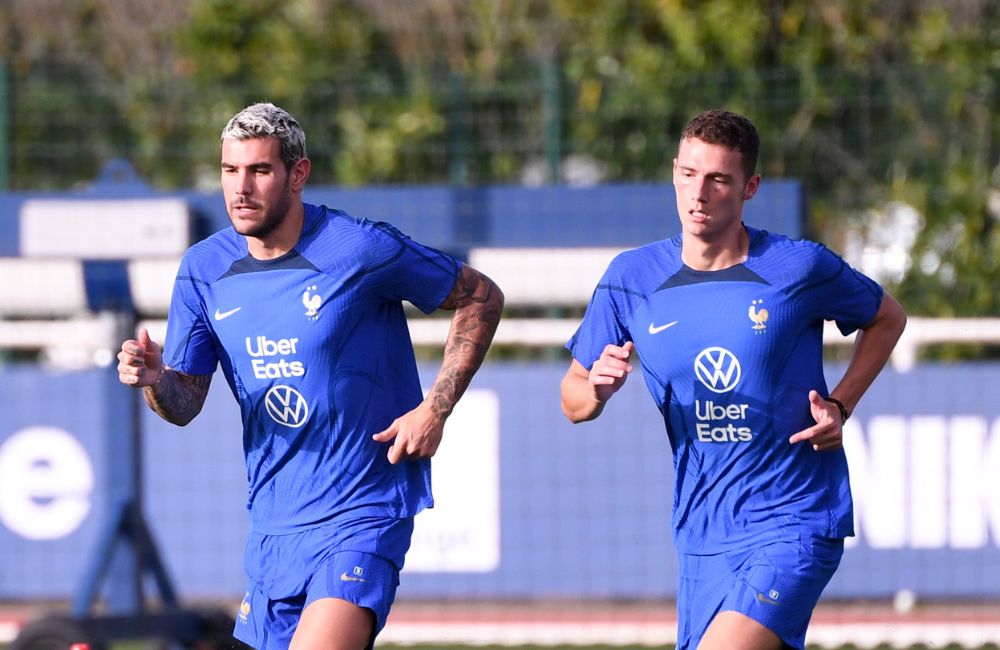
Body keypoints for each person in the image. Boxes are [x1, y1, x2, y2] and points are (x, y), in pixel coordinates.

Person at [116, 102, 504, 650]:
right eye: (230, 171)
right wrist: (156, 379)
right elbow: (185, 404)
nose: (240, 188)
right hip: (274, 526)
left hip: (362, 512)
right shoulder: (203, 269)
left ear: (298, 174)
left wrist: (435, 408)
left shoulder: (361, 248)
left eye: (259, 170)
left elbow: (481, 296)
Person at [560, 109, 906, 650]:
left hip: (794, 520)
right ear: (674, 172)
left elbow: (888, 317)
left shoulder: (798, 267)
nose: (699, 193)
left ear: (750, 188)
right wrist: (595, 391)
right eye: (689, 174)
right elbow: (573, 396)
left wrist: (841, 404)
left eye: (719, 179)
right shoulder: (631, 278)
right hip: (701, 533)